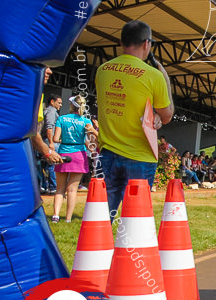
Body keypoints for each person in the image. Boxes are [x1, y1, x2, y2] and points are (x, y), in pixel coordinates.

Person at [94, 20, 173, 219]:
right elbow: (167, 115)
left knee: (100, 218)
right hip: (140, 157)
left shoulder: (103, 70)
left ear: (122, 42)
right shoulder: (154, 76)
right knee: (135, 221)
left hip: (108, 155)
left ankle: (98, 250)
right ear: (147, 44)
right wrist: (166, 80)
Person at [51, 96, 97, 223]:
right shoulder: (85, 121)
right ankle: (68, 218)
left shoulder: (62, 118)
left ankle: (55, 215)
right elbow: (90, 140)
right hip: (79, 155)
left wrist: (63, 140)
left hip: (63, 153)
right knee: (72, 189)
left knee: (60, 188)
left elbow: (55, 139)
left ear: (72, 106)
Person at [41, 94, 62, 195]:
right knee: (52, 164)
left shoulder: (46, 110)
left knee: (43, 164)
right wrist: (51, 142)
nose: (60, 105)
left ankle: (43, 186)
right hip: (49, 141)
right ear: (52, 102)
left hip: (45, 140)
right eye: (59, 103)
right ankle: (53, 187)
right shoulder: (51, 111)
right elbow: (49, 127)